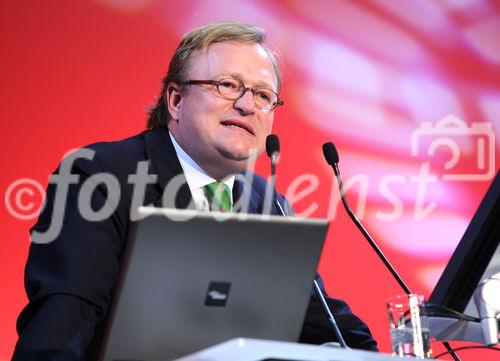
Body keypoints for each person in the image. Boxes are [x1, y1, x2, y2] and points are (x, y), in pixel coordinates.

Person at [13, 21, 377, 360]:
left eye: (264, 95)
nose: (247, 105)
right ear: (175, 100)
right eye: (227, 85)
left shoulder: (268, 203)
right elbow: (63, 319)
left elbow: (325, 322)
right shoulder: (102, 174)